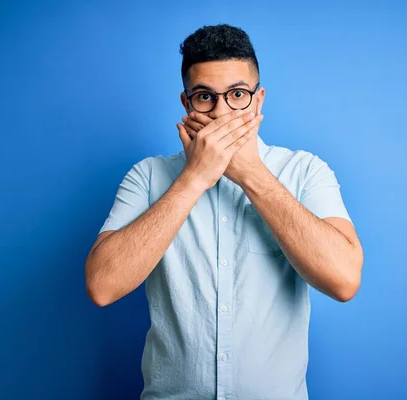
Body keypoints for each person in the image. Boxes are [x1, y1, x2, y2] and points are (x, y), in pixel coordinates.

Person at [85, 23, 364, 400]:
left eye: (237, 95)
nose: (222, 113)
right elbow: (102, 286)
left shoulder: (305, 171)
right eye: (204, 97)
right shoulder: (148, 177)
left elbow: (344, 280)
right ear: (186, 104)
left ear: (259, 99)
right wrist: (194, 178)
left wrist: (250, 173)